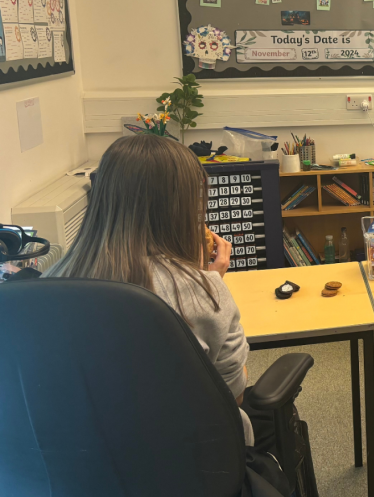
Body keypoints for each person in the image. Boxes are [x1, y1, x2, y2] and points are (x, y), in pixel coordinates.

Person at [43, 136, 265, 450]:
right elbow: (233, 393)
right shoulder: (203, 290)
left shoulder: (48, 283)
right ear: (183, 206)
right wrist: (208, 281)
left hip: (80, 465)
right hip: (193, 464)